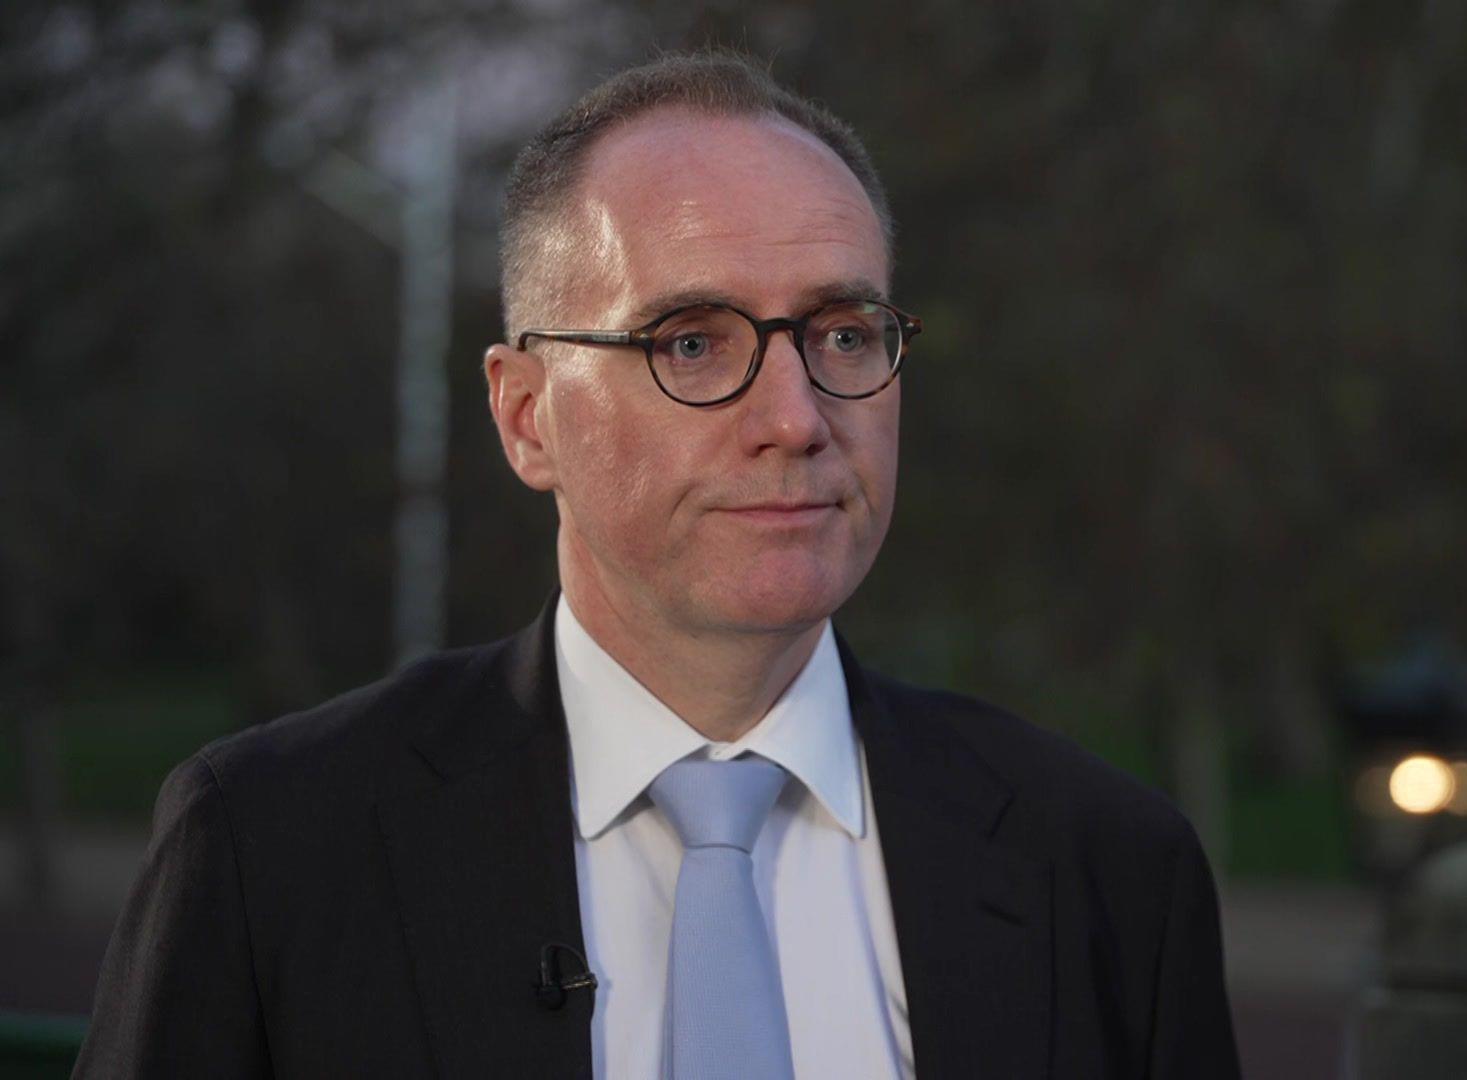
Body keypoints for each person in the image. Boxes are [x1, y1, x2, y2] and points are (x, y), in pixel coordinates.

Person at [75, 51, 1240, 1079]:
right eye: (692, 341)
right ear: (528, 417)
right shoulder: (271, 847)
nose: (795, 417)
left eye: (841, 334)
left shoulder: (1106, 871)